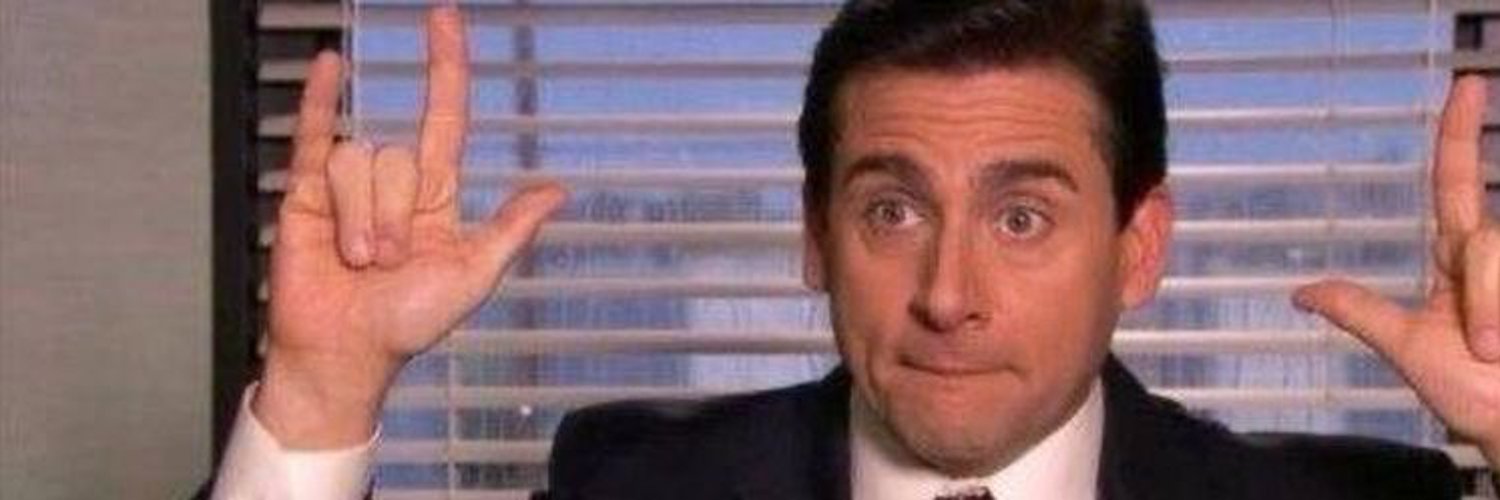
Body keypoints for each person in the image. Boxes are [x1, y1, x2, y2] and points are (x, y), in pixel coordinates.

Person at [208, 1, 1500, 499]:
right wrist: (320, 400)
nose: (948, 295)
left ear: (1139, 247)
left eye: (1023, 217)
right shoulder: (635, 489)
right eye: (892, 211)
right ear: (816, 237)